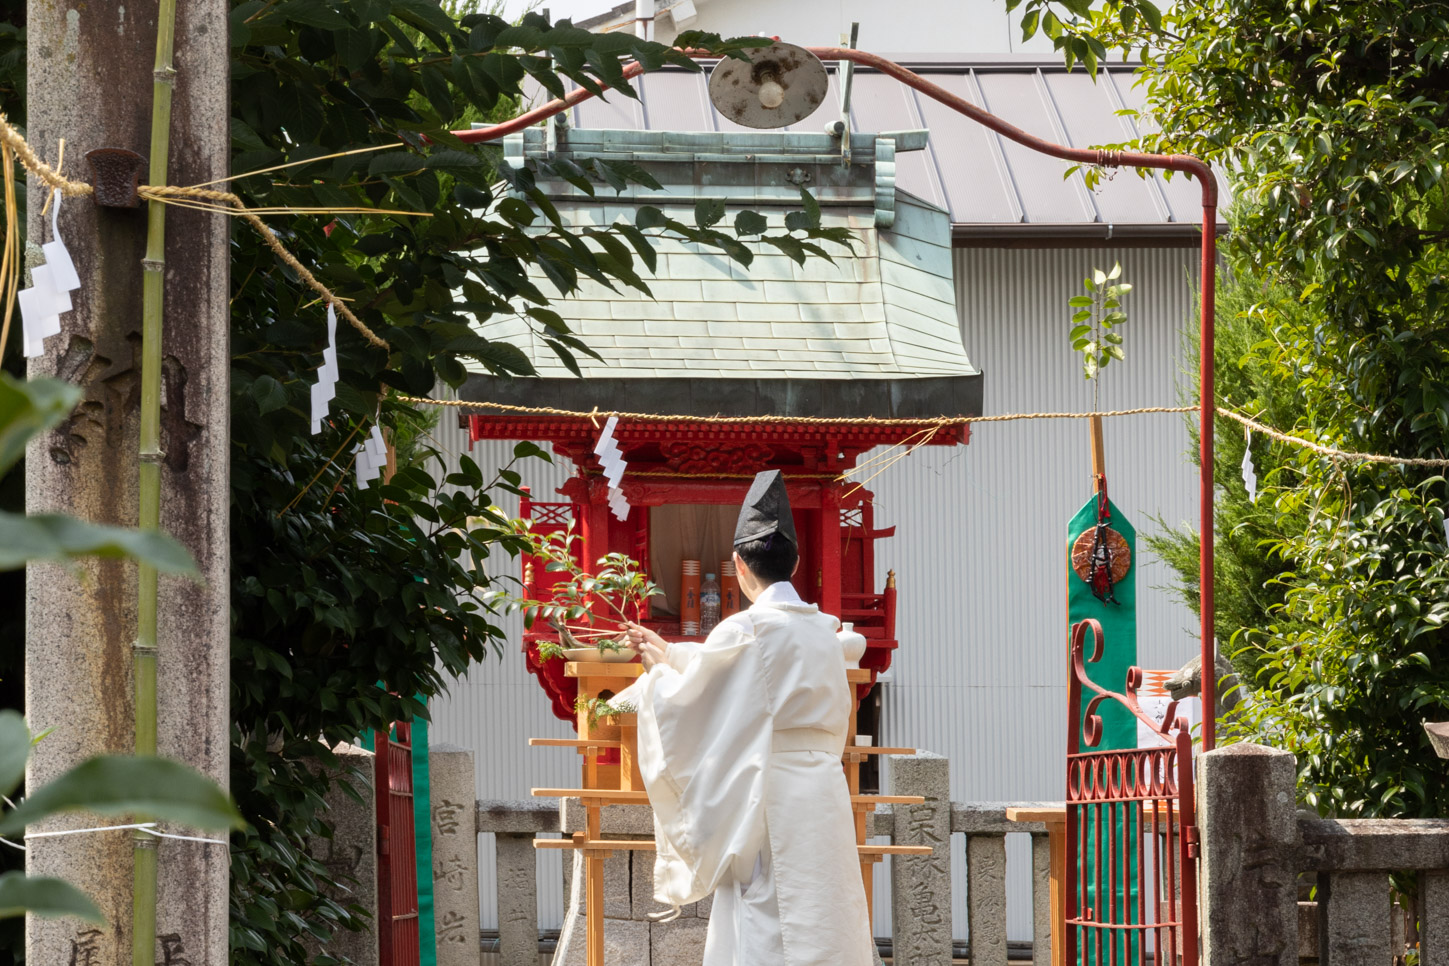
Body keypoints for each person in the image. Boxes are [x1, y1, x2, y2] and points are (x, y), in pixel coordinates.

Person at [613, 470, 873, 966]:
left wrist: (658, 674)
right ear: (796, 562)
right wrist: (671, 652)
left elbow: (705, 691)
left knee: (766, 920)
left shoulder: (747, 628)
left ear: (737, 565)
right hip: (823, 791)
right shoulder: (824, 631)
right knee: (826, 911)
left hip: (770, 790)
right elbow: (746, 672)